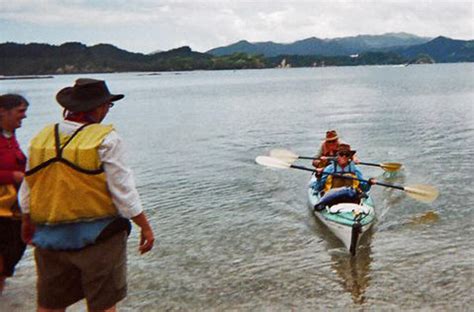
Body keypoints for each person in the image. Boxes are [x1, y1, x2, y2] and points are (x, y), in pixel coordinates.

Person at [19, 78, 155, 311]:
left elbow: (28, 187)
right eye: (107, 106)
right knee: (102, 305)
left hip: (50, 238)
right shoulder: (106, 139)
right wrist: (145, 226)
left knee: (50, 305)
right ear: (100, 107)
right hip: (99, 237)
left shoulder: (41, 138)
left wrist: (27, 221)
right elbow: (122, 190)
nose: (107, 111)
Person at [0, 94, 29, 294]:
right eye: (20, 111)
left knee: (10, 258)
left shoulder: (10, 136)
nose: (25, 116)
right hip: (2, 213)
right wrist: (13, 175)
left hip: (13, 211)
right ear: (3, 112)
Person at [312, 143, 376, 210]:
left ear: (350, 157)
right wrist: (319, 176)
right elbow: (318, 188)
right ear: (337, 155)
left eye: (347, 155)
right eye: (341, 154)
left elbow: (364, 188)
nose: (344, 157)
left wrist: (369, 183)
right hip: (332, 199)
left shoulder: (355, 170)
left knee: (355, 192)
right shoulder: (329, 169)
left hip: (351, 198)